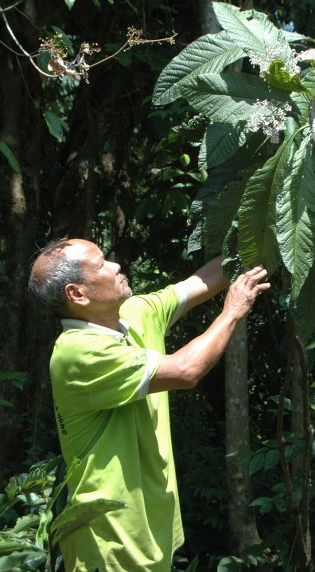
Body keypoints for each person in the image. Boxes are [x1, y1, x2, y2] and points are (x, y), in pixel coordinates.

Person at [28, 238, 269, 572]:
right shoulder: (77, 352)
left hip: (151, 530)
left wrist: (258, 233)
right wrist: (232, 313)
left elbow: (202, 282)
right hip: (109, 542)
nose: (115, 266)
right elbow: (186, 371)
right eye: (100, 265)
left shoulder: (134, 313)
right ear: (77, 294)